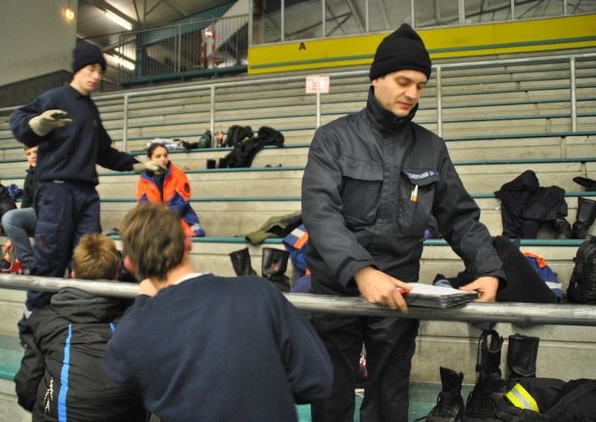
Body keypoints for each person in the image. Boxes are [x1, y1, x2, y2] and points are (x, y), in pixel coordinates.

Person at [301, 23, 506, 422]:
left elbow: (460, 217)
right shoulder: (333, 139)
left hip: (400, 293)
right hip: (337, 290)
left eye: (420, 85)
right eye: (403, 81)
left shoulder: (431, 148)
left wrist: (487, 268)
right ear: (376, 78)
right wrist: (360, 270)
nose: (412, 93)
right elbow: (320, 213)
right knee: (331, 396)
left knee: (390, 397)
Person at [103, 203, 333, 421]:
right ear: (188, 241)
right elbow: (316, 381)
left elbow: (114, 393)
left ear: (129, 263)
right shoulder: (259, 293)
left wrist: (142, 303)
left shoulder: (132, 330)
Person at [9, 41, 162, 312]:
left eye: (100, 71)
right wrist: (37, 125)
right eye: (90, 69)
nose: (96, 76)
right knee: (50, 257)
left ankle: (83, 315)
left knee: (91, 258)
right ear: (77, 69)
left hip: (86, 194)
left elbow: (104, 152)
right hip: (57, 190)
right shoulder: (55, 97)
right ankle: (34, 319)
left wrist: (139, 165)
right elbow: (19, 120)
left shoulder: (90, 109)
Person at [14, 233, 146, 421]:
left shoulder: (44, 320)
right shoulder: (135, 320)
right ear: (117, 274)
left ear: (73, 274)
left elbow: (27, 389)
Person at [136, 141, 205, 238]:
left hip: (181, 218)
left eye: (165, 155)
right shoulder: (144, 179)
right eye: (158, 156)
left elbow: (179, 204)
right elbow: (143, 204)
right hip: (155, 220)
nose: (163, 159)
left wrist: (161, 221)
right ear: (150, 159)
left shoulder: (178, 174)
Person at [0, 145, 38, 273]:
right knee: (10, 218)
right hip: (38, 216)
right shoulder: (30, 177)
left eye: (36, 152)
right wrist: (12, 237)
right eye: (28, 154)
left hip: (54, 215)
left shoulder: (55, 172)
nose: (33, 156)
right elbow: (25, 204)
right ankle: (29, 265)